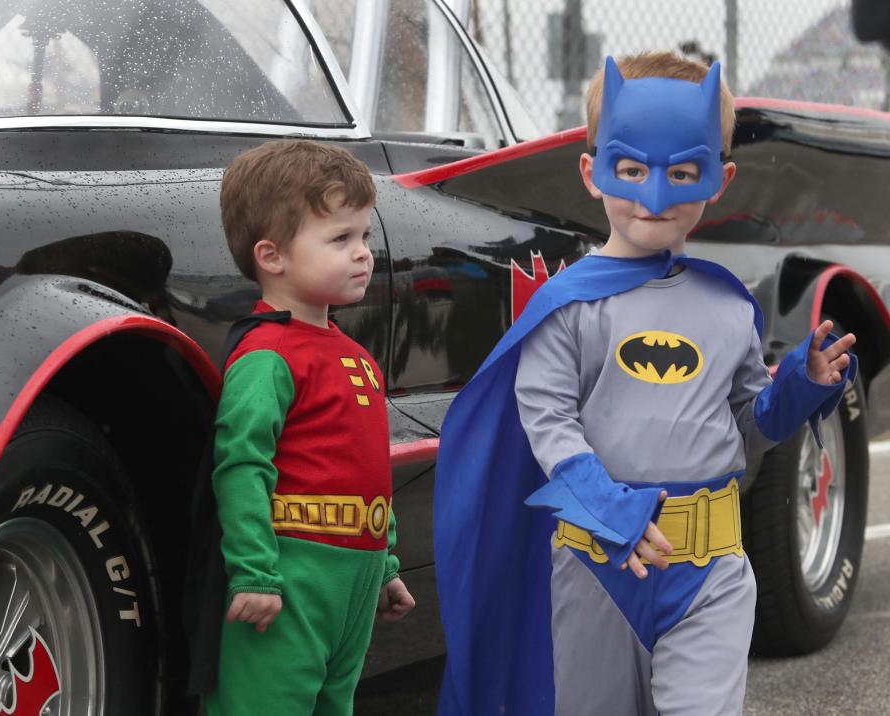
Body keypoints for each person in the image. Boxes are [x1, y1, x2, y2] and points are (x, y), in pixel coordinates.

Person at [433, 52, 857, 716]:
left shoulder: (728, 304)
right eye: (630, 170)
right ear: (591, 170)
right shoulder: (567, 305)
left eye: (683, 172)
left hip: (711, 571)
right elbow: (547, 423)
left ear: (719, 178)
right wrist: (609, 509)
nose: (654, 196)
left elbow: (746, 430)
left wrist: (799, 387)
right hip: (599, 567)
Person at [204, 139, 415, 715]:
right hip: (288, 580)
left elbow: (364, 467)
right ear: (271, 256)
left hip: (355, 583)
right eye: (340, 239)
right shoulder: (267, 356)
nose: (362, 254)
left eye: (364, 236)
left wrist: (386, 567)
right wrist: (255, 574)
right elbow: (242, 466)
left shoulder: (356, 357)